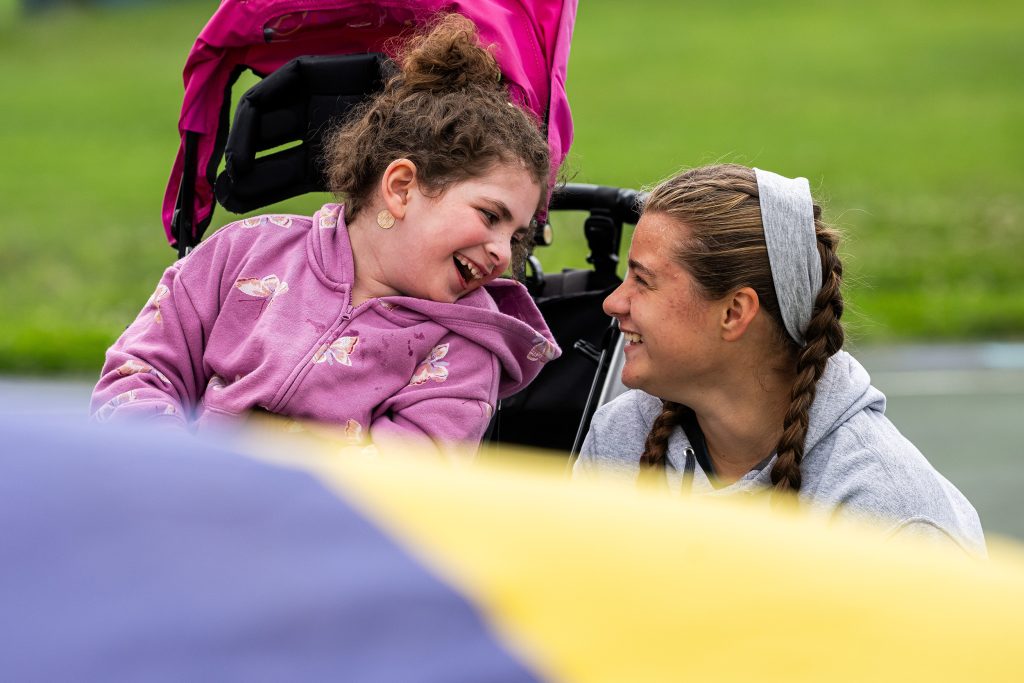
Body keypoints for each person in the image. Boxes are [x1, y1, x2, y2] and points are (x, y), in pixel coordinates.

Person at [91, 14, 560, 457]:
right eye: (490, 216)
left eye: (517, 236)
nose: (502, 252)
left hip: (313, 533)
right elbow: (141, 373)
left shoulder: (465, 347)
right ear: (401, 189)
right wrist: (175, 466)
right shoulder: (245, 252)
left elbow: (406, 486)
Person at [573, 163, 985, 556]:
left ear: (734, 312)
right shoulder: (621, 435)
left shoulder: (888, 517)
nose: (612, 303)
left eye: (643, 281)